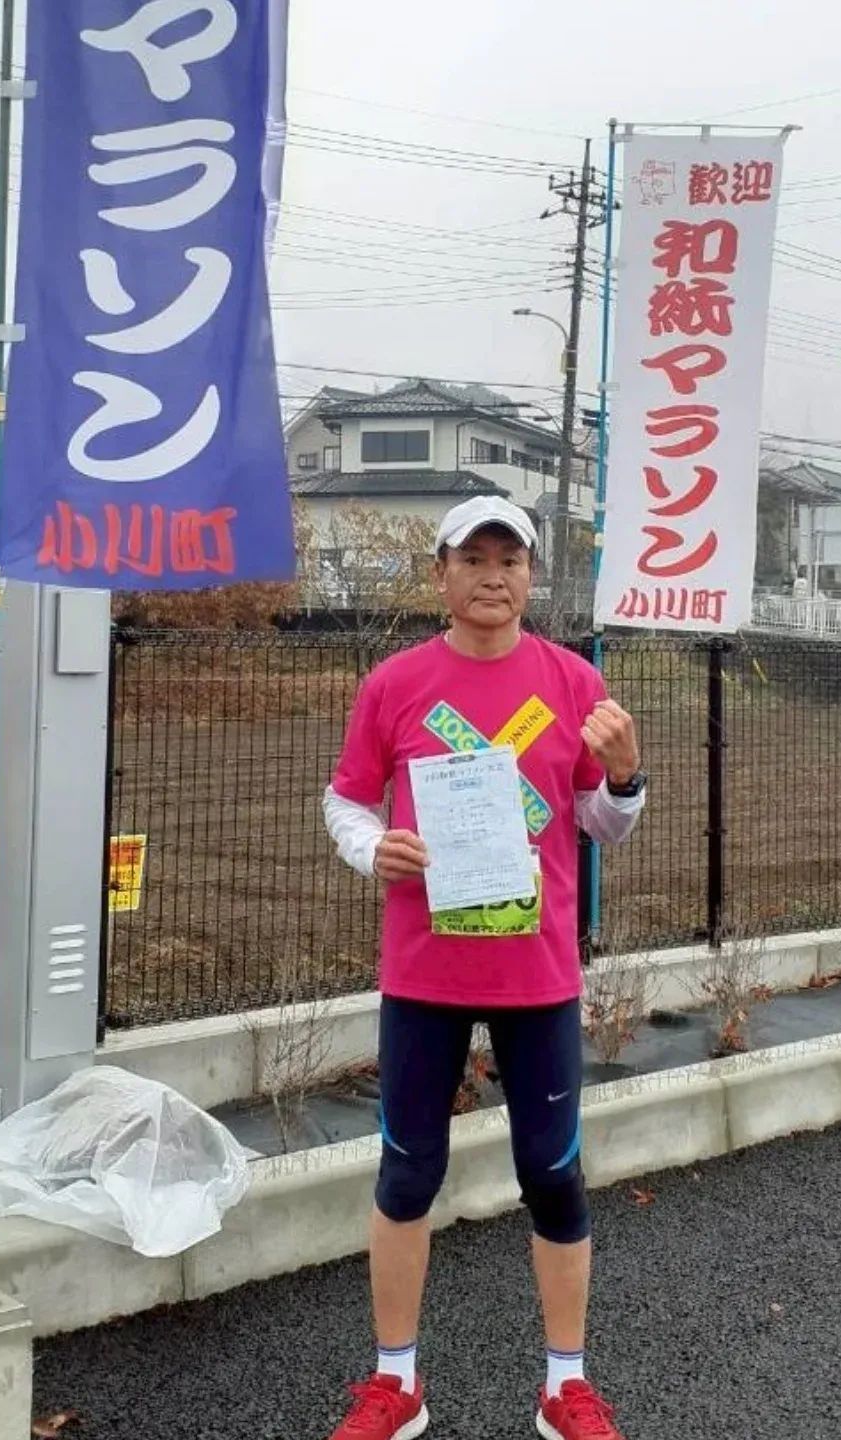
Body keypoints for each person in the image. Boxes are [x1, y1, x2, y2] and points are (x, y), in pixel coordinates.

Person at [322, 496, 645, 1440]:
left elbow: (602, 826)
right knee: (406, 1172)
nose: (493, 575)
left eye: (510, 559)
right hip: (423, 973)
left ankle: (565, 1386)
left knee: (553, 1175)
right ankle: (395, 1382)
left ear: (532, 576)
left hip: (537, 977)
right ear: (442, 575)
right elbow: (346, 801)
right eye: (473, 558)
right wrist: (371, 847)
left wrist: (625, 776)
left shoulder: (575, 683)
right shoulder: (395, 683)